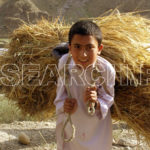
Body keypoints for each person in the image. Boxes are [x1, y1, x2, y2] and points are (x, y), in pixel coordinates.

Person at [54, 20, 116, 150]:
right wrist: (64, 105)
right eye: (77, 47)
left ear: (99, 49)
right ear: (70, 48)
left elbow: (109, 98)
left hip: (97, 128)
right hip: (72, 125)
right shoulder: (64, 63)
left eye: (89, 47)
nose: (83, 54)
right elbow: (60, 96)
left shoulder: (106, 69)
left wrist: (97, 101)